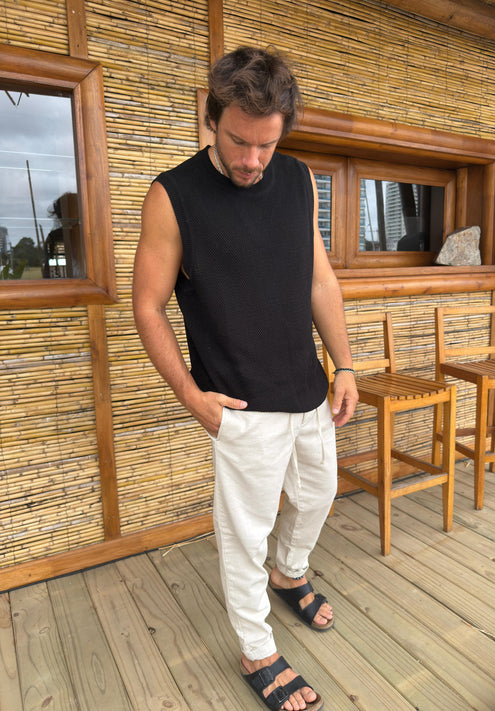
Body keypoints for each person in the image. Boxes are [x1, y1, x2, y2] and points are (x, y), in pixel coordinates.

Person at [133, 45, 358, 711]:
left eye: (266, 144)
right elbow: (147, 304)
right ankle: (257, 647)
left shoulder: (298, 180)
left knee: (317, 496)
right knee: (244, 532)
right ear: (212, 120)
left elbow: (319, 280)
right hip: (237, 401)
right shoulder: (172, 195)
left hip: (308, 387)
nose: (252, 159)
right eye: (238, 141)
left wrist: (345, 364)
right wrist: (189, 394)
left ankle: (289, 575)